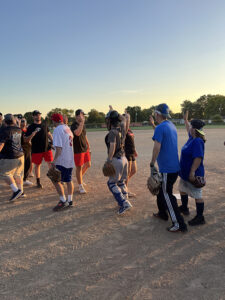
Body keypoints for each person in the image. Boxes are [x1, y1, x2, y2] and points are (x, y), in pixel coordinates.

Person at [150, 103, 187, 232]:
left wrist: (152, 163)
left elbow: (157, 147)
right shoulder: (171, 125)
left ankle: (179, 223)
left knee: (167, 195)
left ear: (158, 114)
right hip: (174, 166)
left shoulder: (160, 128)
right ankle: (162, 213)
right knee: (162, 190)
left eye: (155, 113)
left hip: (167, 169)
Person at [179, 111, 206, 226]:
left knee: (197, 195)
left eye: (190, 126)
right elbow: (187, 128)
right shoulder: (192, 137)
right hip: (185, 173)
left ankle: (200, 217)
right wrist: (185, 120)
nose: (189, 128)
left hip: (193, 174)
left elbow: (198, 158)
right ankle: (185, 208)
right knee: (182, 189)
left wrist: (192, 172)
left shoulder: (197, 141)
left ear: (194, 129)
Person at [105, 110, 132, 215]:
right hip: (124, 158)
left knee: (111, 183)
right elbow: (125, 120)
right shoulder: (121, 129)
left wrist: (109, 160)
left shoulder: (112, 132)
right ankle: (125, 199)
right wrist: (117, 115)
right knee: (120, 182)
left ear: (111, 121)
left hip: (116, 159)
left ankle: (124, 203)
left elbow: (112, 147)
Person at [50, 113, 75, 211]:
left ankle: (63, 200)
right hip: (69, 158)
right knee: (68, 180)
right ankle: (70, 201)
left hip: (62, 160)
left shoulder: (57, 130)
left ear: (55, 121)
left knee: (55, 179)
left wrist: (54, 161)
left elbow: (59, 149)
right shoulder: (67, 128)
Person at [25, 110, 53, 188]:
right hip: (36, 149)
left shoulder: (44, 124)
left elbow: (49, 134)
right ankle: (38, 182)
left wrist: (53, 141)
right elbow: (27, 139)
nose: (38, 116)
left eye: (39, 115)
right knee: (37, 165)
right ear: (33, 116)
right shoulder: (31, 127)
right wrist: (32, 134)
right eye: (36, 115)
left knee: (50, 163)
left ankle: (54, 179)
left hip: (46, 148)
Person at [0, 114, 24, 201]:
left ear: (5, 121)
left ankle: (16, 191)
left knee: (4, 173)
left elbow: (1, 144)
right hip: (20, 155)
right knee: (17, 174)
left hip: (10, 156)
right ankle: (21, 191)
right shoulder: (18, 129)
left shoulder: (4, 130)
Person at [71, 109, 91, 194]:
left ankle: (80, 179)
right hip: (78, 149)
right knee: (79, 167)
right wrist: (81, 123)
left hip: (85, 148)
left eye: (83, 115)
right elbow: (77, 133)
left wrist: (88, 145)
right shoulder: (74, 125)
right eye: (81, 115)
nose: (83, 117)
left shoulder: (83, 125)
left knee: (88, 164)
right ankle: (80, 185)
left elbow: (84, 135)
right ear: (77, 116)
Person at [123, 112, 137, 197]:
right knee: (127, 173)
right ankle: (125, 191)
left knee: (134, 170)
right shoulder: (123, 130)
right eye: (126, 119)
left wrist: (135, 150)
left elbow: (132, 140)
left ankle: (122, 184)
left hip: (132, 152)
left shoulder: (129, 130)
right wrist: (127, 119)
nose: (128, 120)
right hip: (126, 153)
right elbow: (126, 126)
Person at [20, 118, 33, 186]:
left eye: (24, 121)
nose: (23, 123)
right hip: (21, 150)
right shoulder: (19, 130)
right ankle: (21, 180)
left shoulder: (27, 130)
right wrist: (33, 134)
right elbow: (25, 140)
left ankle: (24, 179)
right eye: (21, 121)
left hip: (28, 149)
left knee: (28, 164)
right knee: (21, 166)